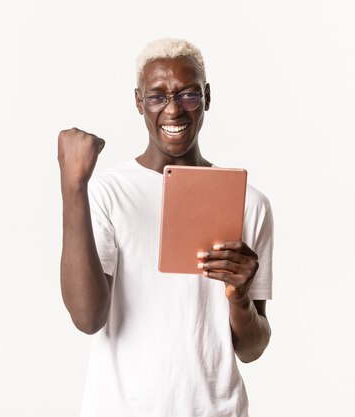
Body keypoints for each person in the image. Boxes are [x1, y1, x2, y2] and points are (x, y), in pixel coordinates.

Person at [57, 38, 273, 417]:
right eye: (157, 97)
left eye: (188, 95)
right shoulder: (109, 192)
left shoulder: (249, 203)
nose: (173, 110)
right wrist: (74, 188)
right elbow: (87, 318)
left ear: (206, 97)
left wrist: (238, 296)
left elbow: (251, 349)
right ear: (139, 102)